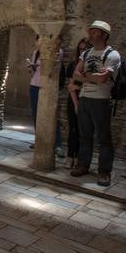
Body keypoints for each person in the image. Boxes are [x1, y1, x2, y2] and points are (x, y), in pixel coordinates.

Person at [70, 21, 121, 187]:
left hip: (101, 100)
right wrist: (91, 76)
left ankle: (104, 171)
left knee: (104, 138)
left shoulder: (112, 55)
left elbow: (103, 79)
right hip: (85, 98)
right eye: (90, 31)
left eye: (94, 32)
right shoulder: (86, 53)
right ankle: (83, 164)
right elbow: (75, 74)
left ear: (104, 35)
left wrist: (86, 75)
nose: (90, 34)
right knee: (85, 135)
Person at [27, 35, 65, 156]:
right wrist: (31, 67)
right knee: (36, 115)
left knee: (52, 115)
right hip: (34, 85)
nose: (38, 42)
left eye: (40, 39)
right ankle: (39, 141)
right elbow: (33, 72)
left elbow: (53, 68)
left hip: (48, 87)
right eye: (37, 39)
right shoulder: (36, 53)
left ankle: (57, 144)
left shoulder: (58, 51)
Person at [64, 38, 89, 170]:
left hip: (87, 99)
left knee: (83, 132)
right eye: (80, 48)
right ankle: (70, 156)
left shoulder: (90, 66)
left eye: (85, 49)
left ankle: (80, 158)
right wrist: (75, 104)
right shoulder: (73, 65)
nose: (82, 51)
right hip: (73, 100)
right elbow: (71, 86)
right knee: (73, 129)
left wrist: (78, 88)